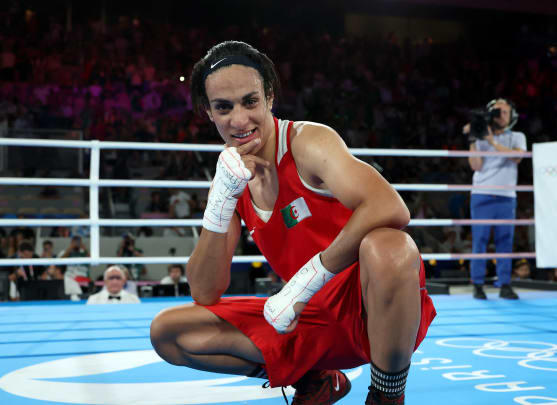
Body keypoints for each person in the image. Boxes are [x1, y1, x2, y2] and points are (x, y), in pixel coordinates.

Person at [150, 41, 436, 405]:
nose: (239, 121)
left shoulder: (306, 142)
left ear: (269, 97)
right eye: (224, 107)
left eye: (250, 102)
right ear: (208, 112)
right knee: (168, 332)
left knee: (391, 247)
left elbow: (390, 206)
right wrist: (220, 199)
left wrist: (307, 279)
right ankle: (315, 380)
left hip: (372, 308)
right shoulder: (232, 176)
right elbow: (205, 292)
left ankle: (386, 396)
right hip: (307, 319)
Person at [465, 98, 526, 300]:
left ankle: (505, 284)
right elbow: (476, 166)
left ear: (512, 116)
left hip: (506, 196)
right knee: (480, 241)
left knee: (505, 241)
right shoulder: (481, 138)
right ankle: (478, 285)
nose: (500, 115)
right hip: (481, 193)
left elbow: (517, 157)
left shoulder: (517, 136)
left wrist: (492, 141)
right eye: (497, 111)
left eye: (505, 112)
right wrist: (474, 139)